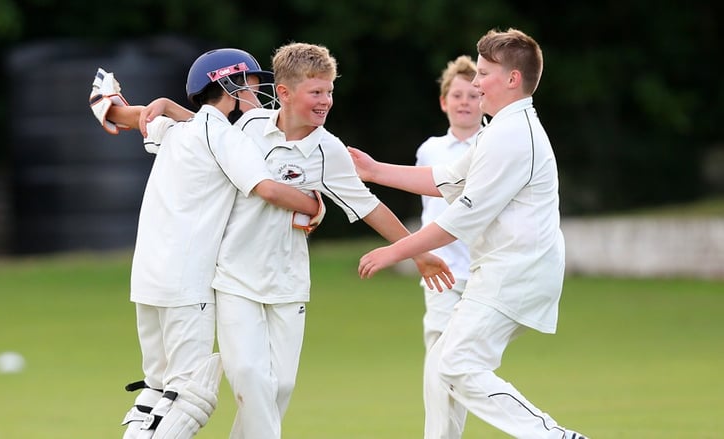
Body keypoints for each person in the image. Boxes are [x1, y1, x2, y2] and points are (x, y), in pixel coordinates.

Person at [140, 42, 454, 439]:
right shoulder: (251, 126)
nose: (326, 101)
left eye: (329, 92)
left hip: (288, 283)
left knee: (279, 388)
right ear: (284, 94)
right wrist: (168, 106)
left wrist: (418, 253)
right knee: (251, 380)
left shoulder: (329, 150)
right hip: (234, 278)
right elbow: (208, 130)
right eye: (316, 92)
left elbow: (370, 206)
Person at [349, 28, 588, 438]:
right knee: (444, 365)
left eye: (483, 74)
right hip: (505, 271)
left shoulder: (513, 135)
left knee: (457, 365)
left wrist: (395, 252)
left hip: (516, 273)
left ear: (512, 79)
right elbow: (448, 179)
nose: (475, 85)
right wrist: (374, 170)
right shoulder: (500, 129)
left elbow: (461, 217)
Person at [88, 48, 324, 439]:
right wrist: (313, 206)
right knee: (190, 394)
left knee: (157, 389)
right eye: (249, 83)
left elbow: (134, 117)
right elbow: (265, 188)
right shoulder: (228, 139)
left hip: (148, 279)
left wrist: (111, 105)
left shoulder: (179, 130)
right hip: (187, 281)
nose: (256, 92)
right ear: (228, 83)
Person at [414, 54, 484, 438]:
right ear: (444, 102)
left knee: (462, 365)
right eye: (456, 95)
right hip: (441, 273)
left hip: (481, 271)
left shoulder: (495, 145)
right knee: (438, 361)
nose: (464, 102)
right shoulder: (430, 150)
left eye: (473, 95)